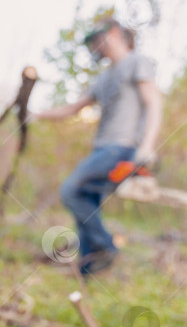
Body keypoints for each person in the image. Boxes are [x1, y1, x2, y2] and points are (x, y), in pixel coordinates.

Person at [32, 18, 162, 275]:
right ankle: (89, 269)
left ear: (113, 34)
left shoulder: (136, 62)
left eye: (95, 41)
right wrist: (35, 114)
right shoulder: (103, 78)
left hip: (122, 148)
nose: (94, 48)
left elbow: (153, 102)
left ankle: (106, 247)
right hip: (101, 148)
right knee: (86, 199)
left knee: (71, 191)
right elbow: (73, 108)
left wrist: (147, 146)